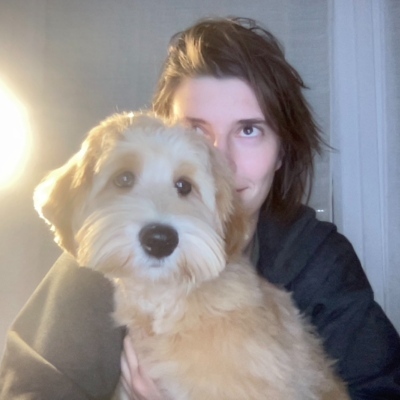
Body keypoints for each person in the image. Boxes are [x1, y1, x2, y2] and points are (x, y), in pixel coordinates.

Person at [0, 17, 399, 400]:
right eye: (194, 130)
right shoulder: (103, 248)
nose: (219, 159)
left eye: (249, 130)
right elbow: (29, 389)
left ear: (282, 152)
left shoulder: (319, 258)